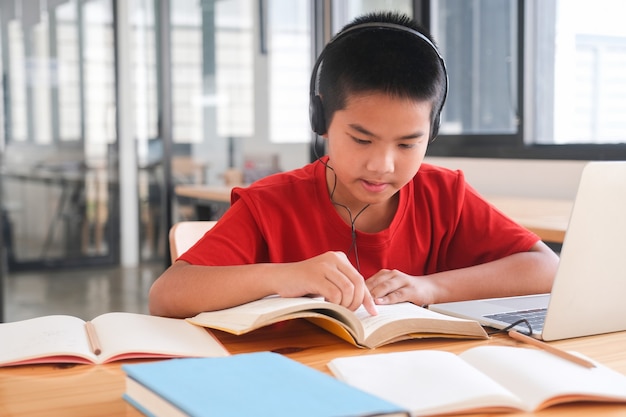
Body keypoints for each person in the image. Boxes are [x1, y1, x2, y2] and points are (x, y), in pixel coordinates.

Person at [149, 11, 559, 319]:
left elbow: (546, 268)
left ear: (431, 132)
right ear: (321, 119)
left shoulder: (444, 194)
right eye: (362, 139)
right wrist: (282, 275)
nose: (382, 165)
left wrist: (429, 287)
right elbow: (167, 295)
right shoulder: (270, 204)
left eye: (407, 143)